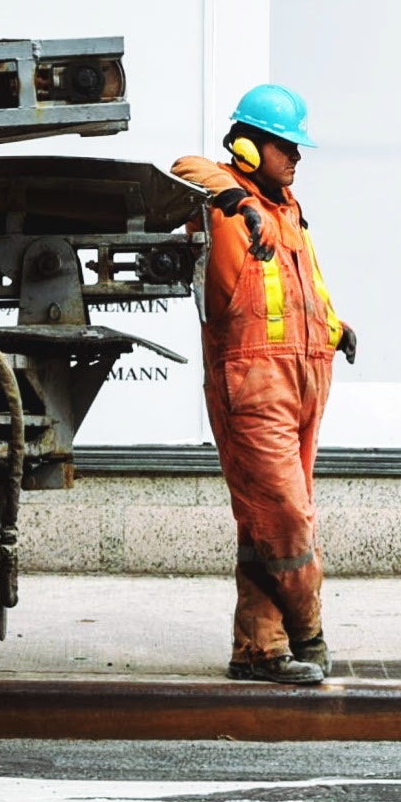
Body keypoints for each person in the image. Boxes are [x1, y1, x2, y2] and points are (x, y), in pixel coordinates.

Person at [172, 84, 358, 685]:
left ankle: (259, 649)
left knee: (263, 525)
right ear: (250, 146)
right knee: (287, 517)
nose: (297, 157)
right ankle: (308, 630)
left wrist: (336, 327)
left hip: (305, 378)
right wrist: (234, 198)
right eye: (286, 146)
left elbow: (306, 288)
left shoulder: (288, 212)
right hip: (253, 383)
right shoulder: (225, 204)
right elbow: (183, 168)